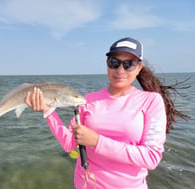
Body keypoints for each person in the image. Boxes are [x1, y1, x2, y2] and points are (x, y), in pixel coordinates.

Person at [25, 37, 189, 189]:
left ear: (139, 68)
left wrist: (97, 141)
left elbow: (151, 157)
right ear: (107, 64)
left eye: (128, 64)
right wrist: (48, 112)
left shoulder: (151, 101)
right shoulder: (87, 100)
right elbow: (69, 143)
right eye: (114, 62)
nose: (120, 70)